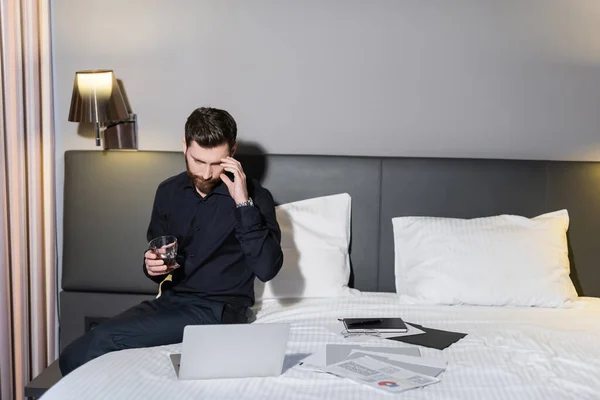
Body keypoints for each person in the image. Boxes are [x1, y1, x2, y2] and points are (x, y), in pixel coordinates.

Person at [58, 107, 284, 375]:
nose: (207, 173)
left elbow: (267, 268)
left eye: (217, 163)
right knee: (75, 354)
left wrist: (243, 204)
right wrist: (152, 266)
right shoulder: (168, 192)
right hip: (170, 303)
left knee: (94, 345)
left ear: (232, 153)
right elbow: (160, 257)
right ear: (184, 146)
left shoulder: (256, 198)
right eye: (198, 161)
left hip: (223, 312)